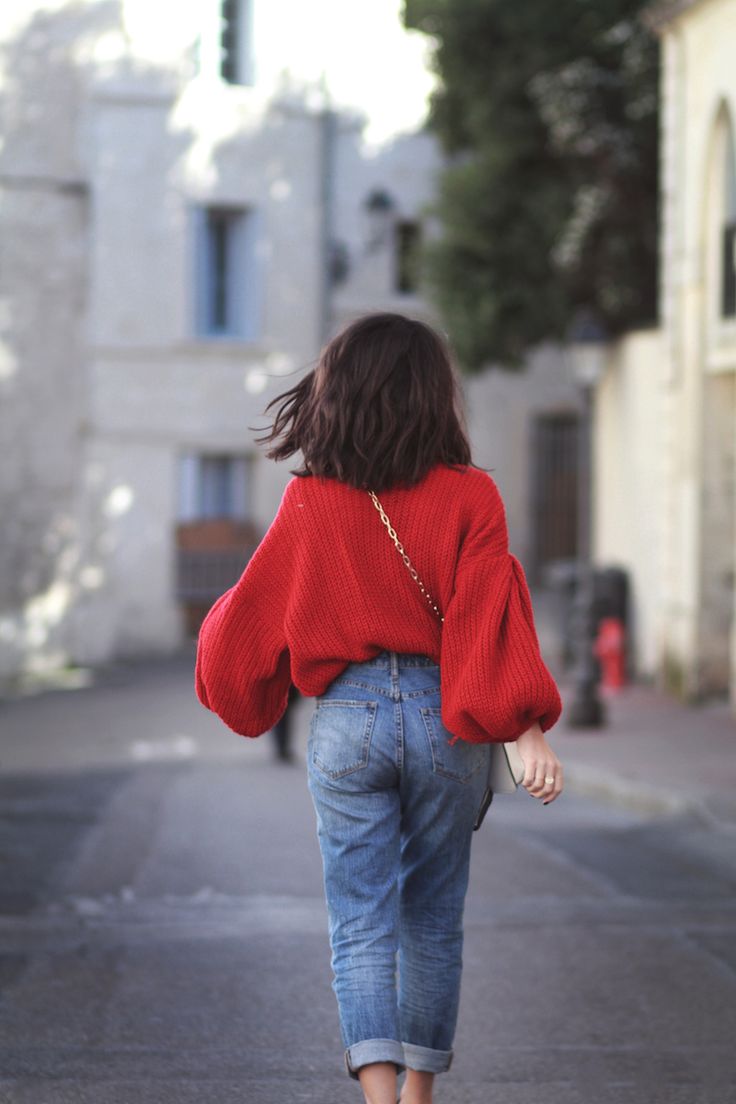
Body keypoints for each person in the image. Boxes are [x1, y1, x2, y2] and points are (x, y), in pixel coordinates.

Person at [194, 312, 564, 1104]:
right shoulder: (474, 497)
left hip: (347, 721)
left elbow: (247, 623)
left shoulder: (310, 502)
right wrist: (524, 726)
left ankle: (377, 1100)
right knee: (431, 919)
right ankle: (420, 1098)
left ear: (339, 393)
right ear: (435, 396)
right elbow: (488, 621)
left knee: (359, 920)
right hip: (446, 720)